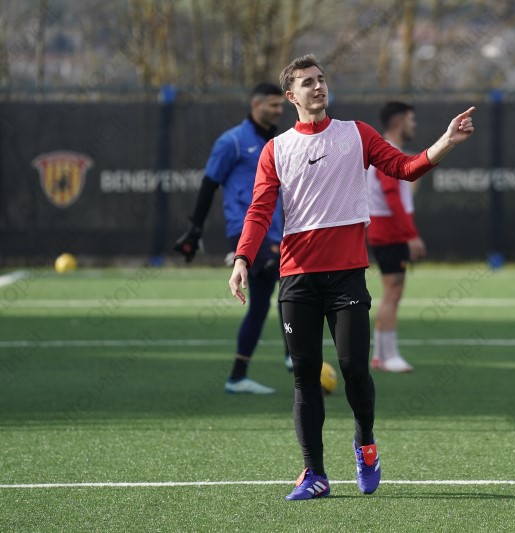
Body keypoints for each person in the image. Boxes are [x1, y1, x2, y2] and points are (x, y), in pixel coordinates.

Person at [228, 54, 475, 501]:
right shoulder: (276, 149)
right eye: (307, 82)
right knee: (304, 377)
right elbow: (260, 210)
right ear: (291, 95)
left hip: (346, 278)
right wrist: (243, 258)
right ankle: (314, 473)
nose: (318, 87)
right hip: (297, 279)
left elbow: (406, 168)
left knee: (354, 370)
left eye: (321, 79)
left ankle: (366, 447)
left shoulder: (356, 134)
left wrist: (448, 141)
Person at [174, 82, 291, 395]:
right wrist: (194, 229)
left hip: (274, 231)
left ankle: (237, 376)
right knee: (289, 277)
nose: (279, 110)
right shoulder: (233, 142)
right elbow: (209, 184)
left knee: (261, 304)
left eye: (281, 105)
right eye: (273, 105)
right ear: (255, 105)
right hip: (245, 230)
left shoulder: (279, 143)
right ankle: (293, 355)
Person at [367, 102, 424, 373]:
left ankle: (381, 355)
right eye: (411, 120)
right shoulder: (387, 151)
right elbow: (391, 196)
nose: (414, 125)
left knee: (393, 292)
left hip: (386, 230)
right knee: (393, 292)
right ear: (399, 122)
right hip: (389, 231)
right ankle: (386, 357)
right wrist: (410, 235)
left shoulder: (388, 150)